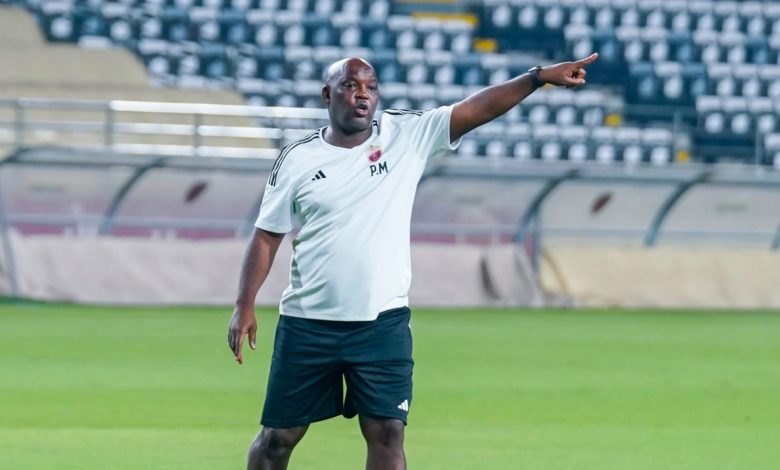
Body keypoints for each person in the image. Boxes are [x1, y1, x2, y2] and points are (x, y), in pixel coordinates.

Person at [227, 53, 599, 470]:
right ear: (328, 94)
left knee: (388, 432)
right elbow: (266, 235)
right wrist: (245, 305)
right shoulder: (297, 159)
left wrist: (536, 79)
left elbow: (475, 110)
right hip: (309, 323)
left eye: (371, 87)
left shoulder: (405, 134)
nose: (362, 95)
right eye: (351, 86)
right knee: (278, 439)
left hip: (382, 323)